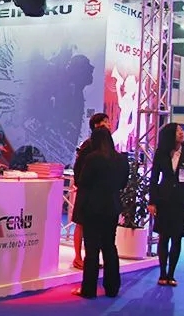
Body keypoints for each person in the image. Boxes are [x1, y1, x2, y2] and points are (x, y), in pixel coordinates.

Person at [72, 127, 130, 299]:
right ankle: (112, 287)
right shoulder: (121, 159)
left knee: (92, 249)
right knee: (109, 246)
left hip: (92, 207)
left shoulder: (92, 158)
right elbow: (123, 183)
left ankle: (89, 289)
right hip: (112, 207)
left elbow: (82, 181)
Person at [148, 122, 184, 287]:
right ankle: (162, 273)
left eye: (182, 130)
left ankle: (171, 274)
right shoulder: (161, 153)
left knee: (177, 237)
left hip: (181, 200)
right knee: (164, 237)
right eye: (177, 130)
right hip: (164, 200)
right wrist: (152, 201)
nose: (181, 133)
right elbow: (154, 178)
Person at [71, 112, 111, 269]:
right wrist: (80, 184)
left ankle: (91, 258)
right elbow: (78, 167)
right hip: (86, 191)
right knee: (80, 224)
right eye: (105, 121)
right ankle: (77, 257)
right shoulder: (88, 145)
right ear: (97, 125)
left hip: (99, 194)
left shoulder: (107, 146)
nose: (108, 124)